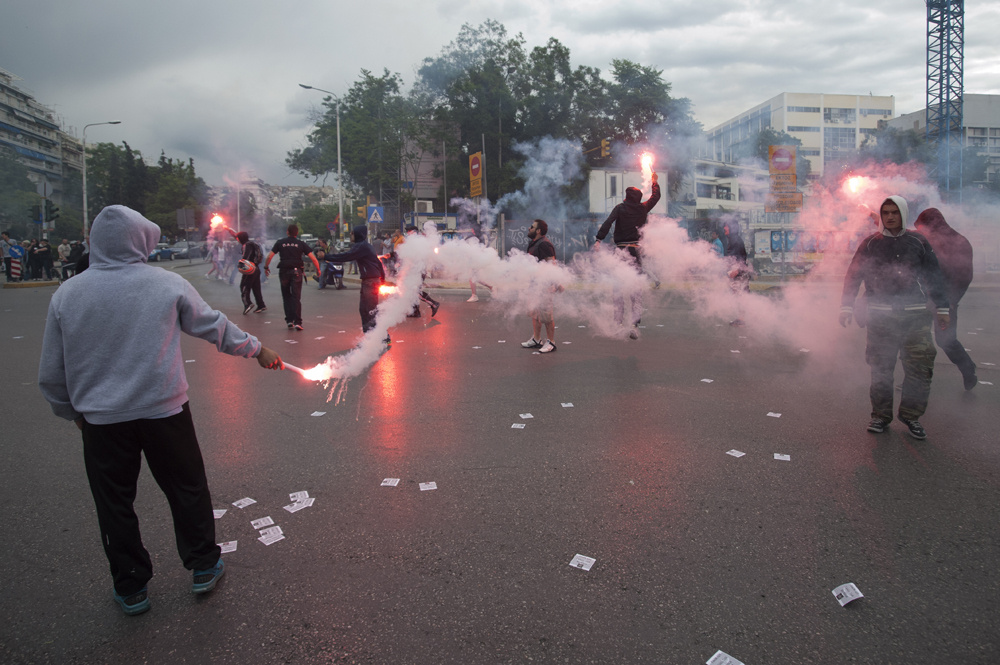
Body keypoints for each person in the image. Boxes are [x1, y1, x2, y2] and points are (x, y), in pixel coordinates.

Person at [37, 205, 283, 616]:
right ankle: (203, 564)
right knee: (187, 489)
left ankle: (131, 585)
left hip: (102, 422)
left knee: (114, 503)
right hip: (165, 412)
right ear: (140, 240)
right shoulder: (165, 284)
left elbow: (51, 371)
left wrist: (74, 414)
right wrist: (256, 349)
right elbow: (214, 326)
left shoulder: (68, 293)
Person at [840, 195, 950, 440]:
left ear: (903, 214)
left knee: (920, 370)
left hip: (916, 317)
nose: (890, 217)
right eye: (886, 212)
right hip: (880, 318)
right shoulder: (870, 243)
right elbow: (853, 275)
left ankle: (912, 416)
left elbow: (934, 275)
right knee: (881, 371)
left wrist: (943, 309)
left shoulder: (918, 241)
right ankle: (880, 416)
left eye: (895, 212)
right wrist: (846, 306)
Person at [913, 208, 978, 390]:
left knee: (943, 340)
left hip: (943, 301)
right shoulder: (931, 240)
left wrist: (950, 301)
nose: (920, 231)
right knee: (918, 340)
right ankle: (916, 379)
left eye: (921, 227)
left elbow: (964, 276)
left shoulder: (956, 243)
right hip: (925, 299)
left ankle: (967, 368)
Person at [594, 172, 661, 339]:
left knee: (618, 289)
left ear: (627, 196)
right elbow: (656, 197)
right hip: (635, 251)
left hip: (620, 252)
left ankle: (618, 324)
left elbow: (608, 222)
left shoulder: (620, 208)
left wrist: (599, 239)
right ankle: (633, 325)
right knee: (635, 291)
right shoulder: (643, 208)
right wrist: (655, 182)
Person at [323, 225, 388, 340]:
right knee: (367, 310)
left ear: (358, 234)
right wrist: (382, 279)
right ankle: (374, 337)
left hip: (370, 281)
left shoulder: (361, 246)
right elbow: (378, 263)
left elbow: (346, 256)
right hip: (371, 280)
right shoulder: (366, 246)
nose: (350, 235)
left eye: (352, 233)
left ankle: (379, 338)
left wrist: (326, 256)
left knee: (369, 311)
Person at [264, 224, 321, 330]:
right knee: (296, 297)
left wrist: (266, 267)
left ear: (287, 232)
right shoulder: (301, 244)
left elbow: (269, 256)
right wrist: (318, 269)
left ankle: (289, 321)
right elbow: (313, 258)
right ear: (297, 233)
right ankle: (298, 322)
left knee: (286, 297)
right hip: (297, 272)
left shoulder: (280, 242)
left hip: (284, 271)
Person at [520, 219, 559, 354]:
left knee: (546, 316)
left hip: (544, 285)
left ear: (538, 231)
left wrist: (554, 284)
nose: (529, 228)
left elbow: (551, 264)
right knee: (535, 313)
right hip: (534, 285)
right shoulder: (533, 244)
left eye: (532, 227)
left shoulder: (545, 244)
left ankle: (551, 342)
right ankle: (537, 339)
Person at [223, 226, 266, 314]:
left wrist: (241, 264)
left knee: (244, 286)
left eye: (238, 238)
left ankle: (247, 304)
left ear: (241, 239)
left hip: (250, 269)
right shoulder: (253, 243)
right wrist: (228, 229)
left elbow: (246, 257)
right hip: (256, 268)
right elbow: (236, 235)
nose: (237, 239)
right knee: (256, 288)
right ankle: (261, 305)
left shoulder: (246, 245)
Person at [401, 224, 440, 317]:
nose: (407, 233)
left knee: (414, 291)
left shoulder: (417, 241)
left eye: (409, 231)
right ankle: (415, 311)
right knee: (412, 290)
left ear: (414, 232)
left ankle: (434, 304)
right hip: (417, 270)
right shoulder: (417, 241)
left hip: (418, 270)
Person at [723, 223, 752, 326]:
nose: (724, 228)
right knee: (738, 294)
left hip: (740, 272)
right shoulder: (732, 239)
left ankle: (742, 319)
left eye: (726, 226)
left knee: (741, 295)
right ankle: (741, 318)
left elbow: (742, 257)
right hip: (738, 271)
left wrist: (737, 270)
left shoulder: (735, 240)